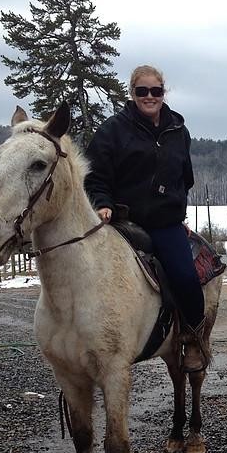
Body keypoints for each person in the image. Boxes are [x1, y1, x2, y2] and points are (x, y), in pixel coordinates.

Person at [84, 64, 206, 369]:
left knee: (186, 277)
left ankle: (193, 339)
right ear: (132, 93)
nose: (149, 96)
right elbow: (94, 175)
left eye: (156, 91)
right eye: (142, 91)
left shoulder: (178, 130)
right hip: (123, 222)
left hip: (165, 223)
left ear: (163, 93)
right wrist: (102, 202)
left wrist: (175, 205)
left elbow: (185, 178)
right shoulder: (113, 130)